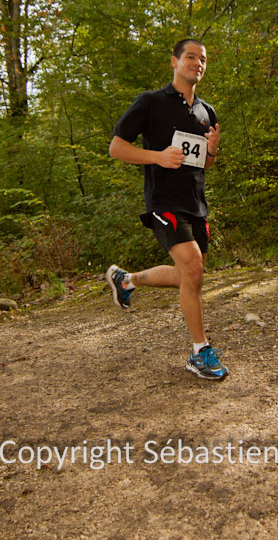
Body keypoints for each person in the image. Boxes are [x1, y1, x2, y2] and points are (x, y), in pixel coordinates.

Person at [106, 38, 228, 380]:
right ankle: (200, 352)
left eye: (203, 59)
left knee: (189, 275)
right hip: (163, 201)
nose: (198, 63)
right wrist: (158, 157)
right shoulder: (151, 102)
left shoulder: (206, 111)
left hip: (196, 203)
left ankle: (126, 280)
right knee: (193, 267)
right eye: (190, 56)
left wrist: (213, 150)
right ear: (174, 62)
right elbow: (116, 147)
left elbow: (205, 165)